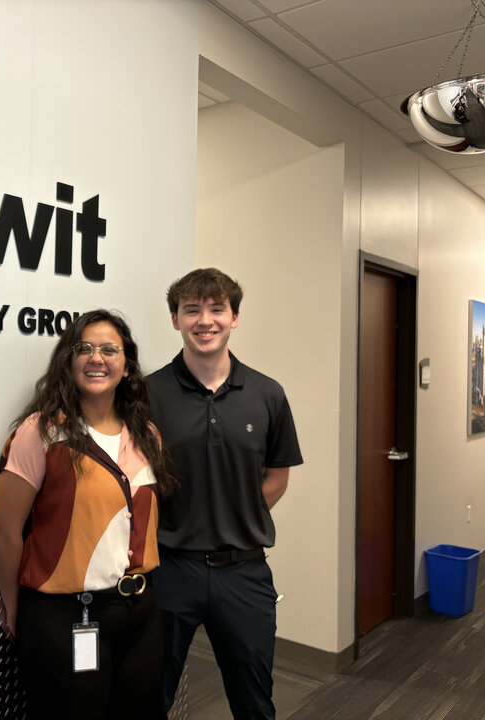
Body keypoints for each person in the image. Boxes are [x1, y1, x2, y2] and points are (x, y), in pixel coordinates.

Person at [0, 309, 172, 720]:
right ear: (68, 361)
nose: (97, 358)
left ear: (126, 366)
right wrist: (13, 608)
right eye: (84, 348)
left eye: (110, 349)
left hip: (140, 613)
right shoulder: (40, 432)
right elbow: (5, 531)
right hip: (62, 617)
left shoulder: (146, 435)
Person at [147, 268, 303, 720]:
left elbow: (277, 475)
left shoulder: (267, 394)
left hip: (245, 572)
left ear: (235, 318)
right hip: (170, 569)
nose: (205, 320)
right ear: (175, 319)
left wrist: (237, 514)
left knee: (254, 703)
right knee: (148, 697)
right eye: (191, 309)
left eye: (217, 309)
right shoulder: (146, 393)